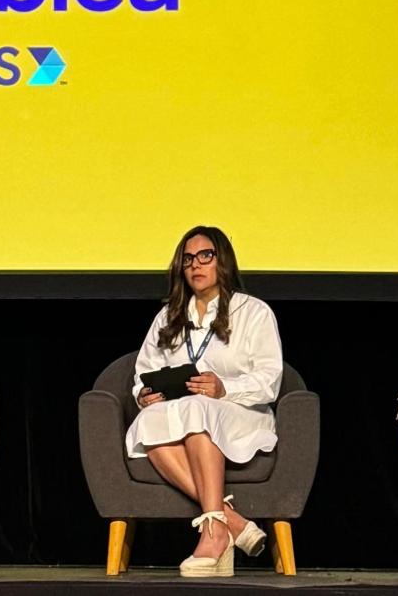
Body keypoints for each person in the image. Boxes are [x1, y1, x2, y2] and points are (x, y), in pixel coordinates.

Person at [126, 225, 283, 578]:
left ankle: (213, 533)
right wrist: (144, 394)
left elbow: (270, 380)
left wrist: (224, 389)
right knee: (150, 422)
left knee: (200, 410)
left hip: (243, 415)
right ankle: (231, 523)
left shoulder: (254, 312)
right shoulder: (168, 317)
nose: (195, 265)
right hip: (184, 411)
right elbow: (142, 372)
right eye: (188, 259)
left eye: (205, 256)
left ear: (222, 261)